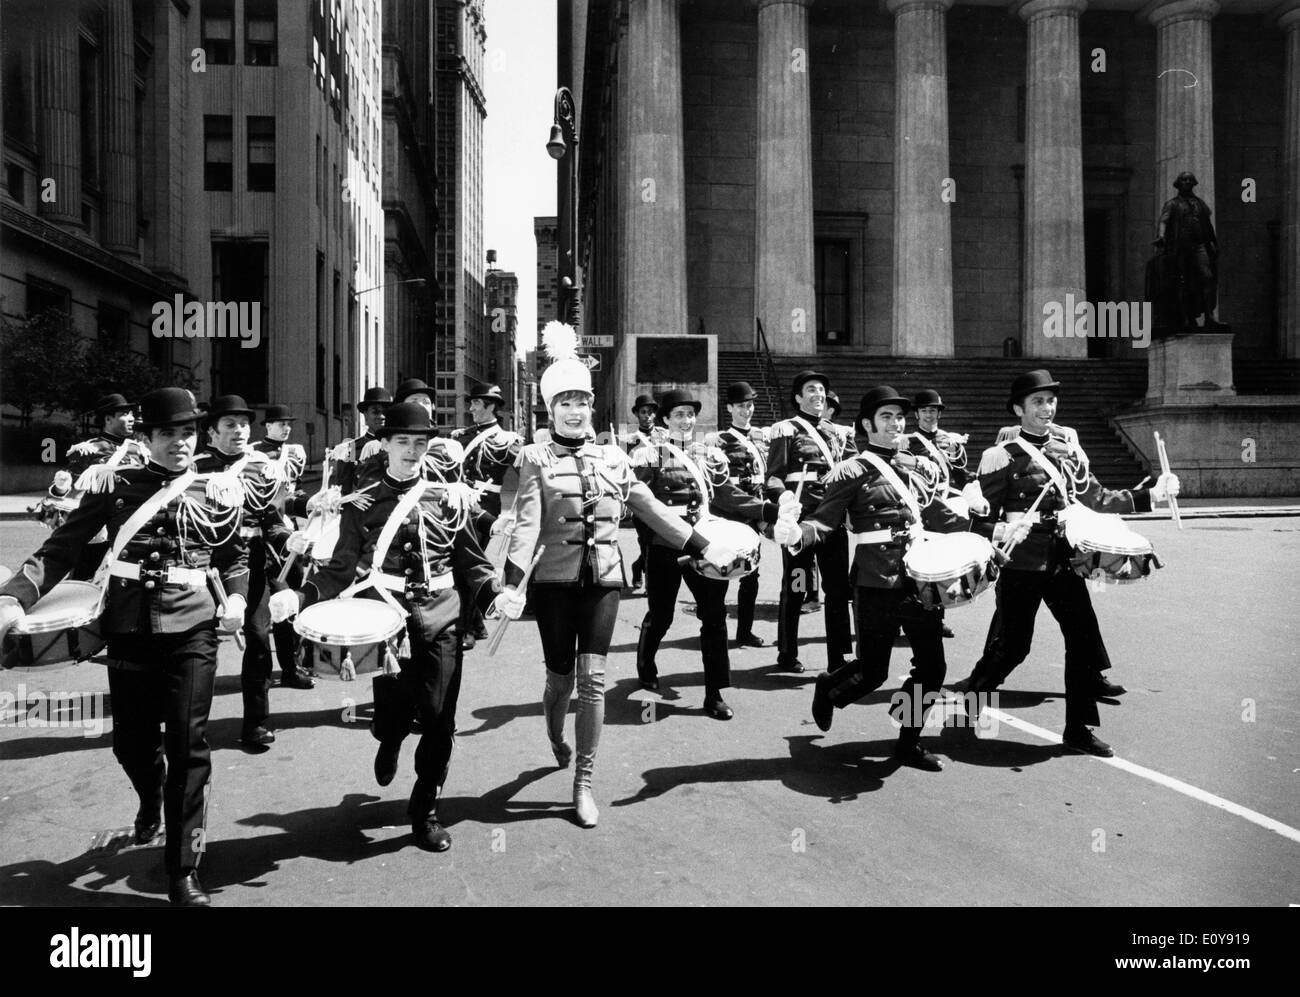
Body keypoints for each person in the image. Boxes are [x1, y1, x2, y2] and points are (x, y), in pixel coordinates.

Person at [0, 387, 248, 905]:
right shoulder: (114, 485)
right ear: (148, 438)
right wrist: (15, 598)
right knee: (132, 746)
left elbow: (234, 558)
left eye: (187, 433)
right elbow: (61, 547)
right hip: (129, 627)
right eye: (168, 434)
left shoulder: (218, 489)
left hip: (193, 629)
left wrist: (240, 599)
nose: (180, 443)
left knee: (188, 745)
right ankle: (150, 795)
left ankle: (183, 867)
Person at [497, 323, 740, 827]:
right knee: (558, 680)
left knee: (593, 680)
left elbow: (652, 511)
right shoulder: (534, 459)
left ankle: (583, 783)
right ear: (549, 408)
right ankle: (553, 734)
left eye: (581, 400)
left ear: (591, 406)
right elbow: (524, 527)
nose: (574, 409)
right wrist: (509, 586)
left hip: (604, 579)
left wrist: (703, 546)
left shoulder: (613, 457)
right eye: (564, 401)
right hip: (554, 583)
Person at [270, 402, 502, 853]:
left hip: (440, 616)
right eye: (403, 442)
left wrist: (497, 593)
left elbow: (471, 563)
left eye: (420, 443)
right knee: (393, 713)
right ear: (385, 444)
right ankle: (389, 738)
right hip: (384, 621)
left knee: (439, 719)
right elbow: (339, 569)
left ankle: (425, 810)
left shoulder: (447, 499)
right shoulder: (364, 500)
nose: (413, 451)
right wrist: (298, 597)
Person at [950, 370, 1180, 757]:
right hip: (1020, 564)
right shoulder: (999, 457)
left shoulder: (1066, 451)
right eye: (1038, 401)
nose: (1047, 408)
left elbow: (1098, 498)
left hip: (1061, 560)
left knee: (1082, 640)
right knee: (1013, 648)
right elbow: (978, 518)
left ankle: (1078, 729)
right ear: (1018, 409)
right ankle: (969, 702)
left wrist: (1152, 496)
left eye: (1051, 400)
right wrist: (1003, 529)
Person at [777, 387, 956, 769]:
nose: (896, 424)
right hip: (876, 580)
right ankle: (828, 687)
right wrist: (796, 534)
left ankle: (908, 743)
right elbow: (824, 521)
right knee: (873, 672)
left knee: (932, 668)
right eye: (887, 417)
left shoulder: (913, 464)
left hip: (918, 578)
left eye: (899, 417)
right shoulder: (852, 470)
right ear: (867, 425)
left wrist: (975, 516)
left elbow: (931, 514)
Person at [632, 388, 787, 719]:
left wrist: (767, 510)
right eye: (679, 415)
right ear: (664, 420)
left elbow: (725, 493)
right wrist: (649, 544)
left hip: (706, 546)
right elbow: (640, 505)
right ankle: (646, 664)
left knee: (714, 618)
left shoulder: (707, 454)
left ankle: (714, 693)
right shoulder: (650, 456)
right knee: (661, 615)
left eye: (690, 414)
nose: (686, 421)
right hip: (666, 549)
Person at [195, 395, 296, 749]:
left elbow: (272, 518)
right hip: (202, 563)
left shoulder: (261, 467)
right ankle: (189, 726)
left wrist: (288, 539)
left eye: (243, 424)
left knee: (257, 638)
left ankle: (255, 722)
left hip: (251, 560)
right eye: (230, 425)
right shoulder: (194, 467)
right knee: (198, 645)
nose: (239, 431)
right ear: (212, 431)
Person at [765, 370, 856, 673]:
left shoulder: (839, 433)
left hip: (832, 522)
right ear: (798, 398)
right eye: (811, 390)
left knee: (837, 590)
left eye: (821, 390)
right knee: (797, 587)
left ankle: (837, 656)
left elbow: (856, 470)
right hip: (801, 524)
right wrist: (783, 499)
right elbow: (774, 475)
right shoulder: (786, 430)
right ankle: (787, 653)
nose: (818, 395)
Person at [906, 388, 986, 639]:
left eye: (934, 410)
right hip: (923, 506)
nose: (930, 415)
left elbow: (959, 473)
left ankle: (936, 619)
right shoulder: (908, 442)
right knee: (918, 567)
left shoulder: (948, 440)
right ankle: (911, 620)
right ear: (916, 414)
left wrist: (974, 488)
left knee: (939, 566)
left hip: (946, 505)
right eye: (925, 410)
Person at [42, 393, 147, 579]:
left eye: (131, 414)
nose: (131, 418)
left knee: (127, 576)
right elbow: (65, 488)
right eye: (124, 414)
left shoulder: (139, 451)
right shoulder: (89, 449)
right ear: (108, 419)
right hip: (98, 528)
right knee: (83, 577)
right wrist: (60, 486)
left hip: (129, 525)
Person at [452, 383, 523, 648]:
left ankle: (467, 628)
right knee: (457, 564)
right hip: (458, 505)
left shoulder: (508, 441)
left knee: (469, 564)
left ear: (491, 406)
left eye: (476, 404)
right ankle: (475, 622)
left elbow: (527, 475)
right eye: (470, 404)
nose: (470, 408)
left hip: (484, 510)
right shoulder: (462, 436)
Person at [251, 404, 314, 689]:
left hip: (285, 530)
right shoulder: (252, 454)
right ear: (267, 426)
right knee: (262, 608)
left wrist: (310, 503)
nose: (286, 428)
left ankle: (293, 666)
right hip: (257, 534)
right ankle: (264, 671)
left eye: (288, 423)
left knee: (292, 600)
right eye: (280, 423)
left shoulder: (295, 453)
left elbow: (293, 492)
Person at [712, 381, 771, 647]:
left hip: (754, 513)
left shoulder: (759, 438)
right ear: (729, 408)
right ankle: (717, 629)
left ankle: (744, 630)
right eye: (740, 406)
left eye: (749, 405)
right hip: (730, 513)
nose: (746, 411)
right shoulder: (719, 441)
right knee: (723, 572)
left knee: (751, 575)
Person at [1154, 171, 1223, 331]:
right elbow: (1163, 221)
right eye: (1184, 180)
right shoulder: (1172, 204)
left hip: (1199, 246)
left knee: (1207, 277)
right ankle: (1185, 318)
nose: (1187, 182)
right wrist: (1161, 236)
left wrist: (1213, 242)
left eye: (1190, 180)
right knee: (1182, 281)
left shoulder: (1200, 203)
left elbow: (1207, 224)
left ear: (1194, 183)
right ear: (1178, 183)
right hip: (1180, 247)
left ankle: (1209, 316)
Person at [624, 393, 660, 591]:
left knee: (655, 543)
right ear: (637, 415)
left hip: (661, 497)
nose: (647, 416)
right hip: (640, 497)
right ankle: (650, 584)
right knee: (645, 541)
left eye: (651, 412)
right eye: (643, 412)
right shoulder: (629, 441)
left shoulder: (664, 437)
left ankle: (638, 567)